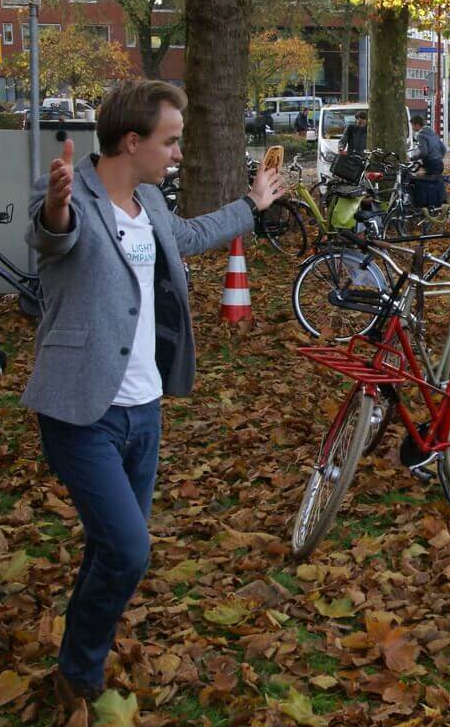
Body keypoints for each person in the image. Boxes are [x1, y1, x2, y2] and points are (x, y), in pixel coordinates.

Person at [22, 79, 284, 719]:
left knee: (109, 547)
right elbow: (52, 235)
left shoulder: (147, 202)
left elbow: (187, 237)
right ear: (131, 140)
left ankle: (74, 660)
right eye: (169, 141)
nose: (177, 153)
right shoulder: (70, 195)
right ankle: (79, 672)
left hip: (144, 409)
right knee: (131, 550)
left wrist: (251, 203)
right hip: (81, 411)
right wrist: (54, 207)